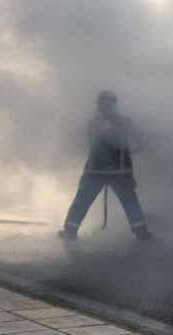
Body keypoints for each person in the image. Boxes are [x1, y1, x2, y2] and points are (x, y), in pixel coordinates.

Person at [60, 90, 153, 241]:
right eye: (108, 102)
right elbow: (138, 136)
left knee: (83, 200)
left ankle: (70, 230)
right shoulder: (123, 122)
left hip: (97, 171)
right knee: (129, 202)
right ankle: (141, 233)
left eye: (110, 102)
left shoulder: (94, 122)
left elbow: (93, 142)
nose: (109, 105)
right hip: (118, 171)